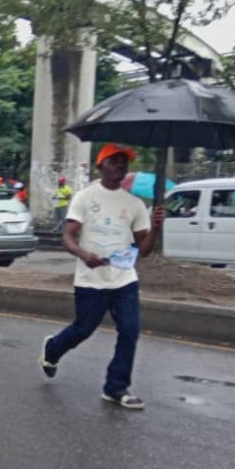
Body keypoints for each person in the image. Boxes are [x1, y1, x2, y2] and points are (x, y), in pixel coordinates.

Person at [38, 143, 166, 410]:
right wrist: (83, 254)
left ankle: (116, 387)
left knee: (130, 330)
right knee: (83, 329)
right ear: (101, 166)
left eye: (124, 162)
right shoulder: (85, 197)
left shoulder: (134, 204)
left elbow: (143, 249)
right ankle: (53, 350)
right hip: (91, 279)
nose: (120, 165)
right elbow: (68, 236)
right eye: (114, 160)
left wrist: (155, 229)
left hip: (124, 279)